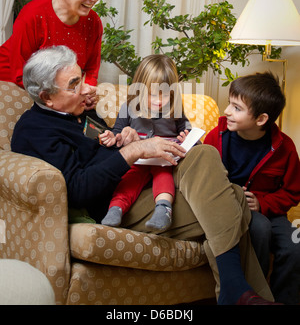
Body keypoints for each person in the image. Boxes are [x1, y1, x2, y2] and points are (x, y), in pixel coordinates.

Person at [11, 46, 281, 305]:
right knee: (232, 197)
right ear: (46, 96)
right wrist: (133, 149)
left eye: (81, 78)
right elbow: (79, 188)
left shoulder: (77, 111)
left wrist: (122, 137)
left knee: (204, 153)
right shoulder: (36, 130)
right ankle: (239, 292)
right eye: (74, 85)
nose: (88, 87)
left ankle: (233, 292)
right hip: (119, 202)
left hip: (146, 181)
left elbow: (103, 147)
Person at [204, 71, 300, 304]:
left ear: (261, 119)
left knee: (295, 247)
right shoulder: (216, 136)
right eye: (229, 104)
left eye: (236, 108)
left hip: (270, 212)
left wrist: (263, 203)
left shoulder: (284, 147)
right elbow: (203, 177)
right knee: (259, 228)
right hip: (229, 210)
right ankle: (251, 294)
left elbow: (293, 192)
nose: (226, 111)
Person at [0, 0, 105, 111]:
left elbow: (91, 69)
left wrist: (87, 91)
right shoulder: (32, 15)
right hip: (13, 85)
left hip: (60, 95)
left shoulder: (93, 22)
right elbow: (20, 73)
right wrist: (67, 96)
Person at [100, 54, 191, 232]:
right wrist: (113, 137)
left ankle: (163, 208)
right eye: (151, 94)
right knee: (129, 178)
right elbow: (117, 133)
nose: (158, 100)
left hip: (164, 161)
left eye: (164, 94)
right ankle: (115, 209)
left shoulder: (175, 109)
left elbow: (190, 134)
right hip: (138, 161)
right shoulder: (129, 108)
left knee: (163, 175)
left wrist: (187, 139)